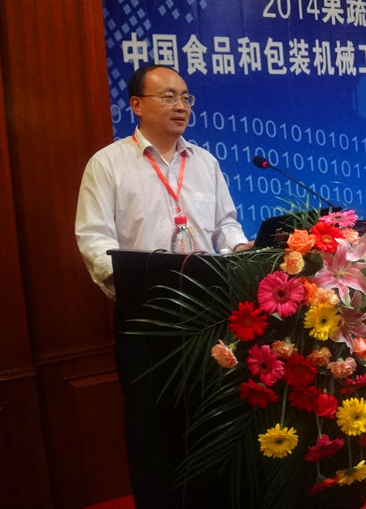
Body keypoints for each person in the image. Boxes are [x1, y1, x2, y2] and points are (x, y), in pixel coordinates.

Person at [75, 64, 253, 508]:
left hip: (209, 310)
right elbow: (93, 238)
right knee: (151, 426)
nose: (181, 106)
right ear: (136, 105)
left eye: (186, 97)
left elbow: (225, 224)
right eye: (168, 96)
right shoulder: (108, 164)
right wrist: (131, 280)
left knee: (210, 417)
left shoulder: (205, 162)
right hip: (147, 315)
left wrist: (239, 248)